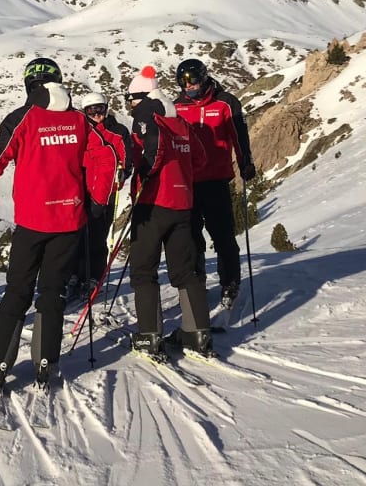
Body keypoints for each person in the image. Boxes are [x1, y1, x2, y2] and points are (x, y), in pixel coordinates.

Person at [0, 57, 113, 392]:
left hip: (33, 221)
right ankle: (46, 362)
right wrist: (98, 200)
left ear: (29, 85)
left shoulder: (23, 118)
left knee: (18, 290)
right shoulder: (79, 120)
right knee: (53, 292)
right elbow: (105, 157)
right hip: (70, 220)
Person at [124, 66, 213, 356]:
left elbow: (153, 149)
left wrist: (144, 174)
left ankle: (149, 335)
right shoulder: (180, 121)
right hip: (182, 204)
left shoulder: (146, 116)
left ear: (141, 96)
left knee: (143, 271)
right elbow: (200, 158)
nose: (130, 104)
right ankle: (197, 333)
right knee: (186, 271)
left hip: (153, 203)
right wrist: (181, 175)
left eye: (130, 98)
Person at [173, 58, 257, 311]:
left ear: (204, 77)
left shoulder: (225, 102)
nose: (188, 85)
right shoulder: (177, 106)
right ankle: (196, 280)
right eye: (182, 81)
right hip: (187, 183)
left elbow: (239, 135)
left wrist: (245, 162)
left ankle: (230, 281)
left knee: (222, 235)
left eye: (192, 80)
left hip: (216, 179)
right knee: (190, 237)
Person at [69, 91, 132, 299]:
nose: (97, 114)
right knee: (77, 235)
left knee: (97, 235)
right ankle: (75, 274)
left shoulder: (118, 131)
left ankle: (94, 276)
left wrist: (124, 170)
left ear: (106, 108)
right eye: (91, 110)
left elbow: (127, 157)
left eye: (100, 109)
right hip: (82, 190)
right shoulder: (81, 131)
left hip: (106, 192)